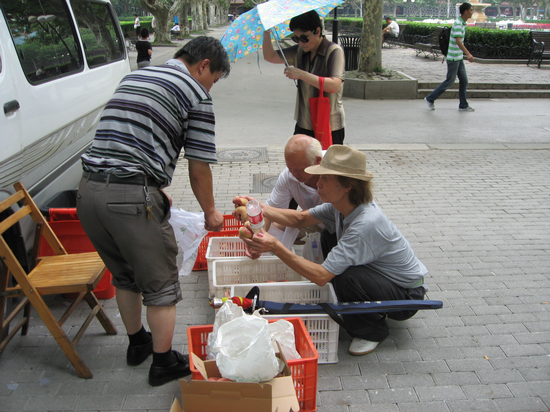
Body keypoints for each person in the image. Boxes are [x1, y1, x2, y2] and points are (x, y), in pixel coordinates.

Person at [76, 36, 230, 386]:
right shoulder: (195, 93)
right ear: (203, 65)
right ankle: (162, 364)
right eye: (215, 79)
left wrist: (153, 185)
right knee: (161, 284)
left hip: (88, 192)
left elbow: (129, 137)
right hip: (131, 199)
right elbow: (199, 166)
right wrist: (210, 212)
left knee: (125, 275)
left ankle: (138, 343)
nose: (211, 87)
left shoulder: (134, 76)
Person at [239, 145, 428, 356]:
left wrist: (276, 246)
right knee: (328, 236)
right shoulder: (340, 206)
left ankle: (371, 330)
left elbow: (321, 276)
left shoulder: (365, 223)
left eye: (325, 179)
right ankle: (346, 297)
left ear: (346, 185)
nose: (317, 184)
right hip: (380, 278)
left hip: (406, 296)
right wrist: (258, 207)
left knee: (347, 276)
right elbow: (299, 219)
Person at [262, 10, 346, 145]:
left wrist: (301, 74)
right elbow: (269, 56)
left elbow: (334, 85)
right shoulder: (299, 51)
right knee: (300, 164)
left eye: (304, 38)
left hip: (330, 124)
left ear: (317, 31)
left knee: (325, 165)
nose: (301, 43)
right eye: (296, 38)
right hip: (305, 122)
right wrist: (266, 32)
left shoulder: (334, 51)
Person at [424, 3, 475, 112]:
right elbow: (458, 41)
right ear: (465, 11)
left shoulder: (462, 23)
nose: (472, 12)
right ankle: (430, 98)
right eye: (471, 10)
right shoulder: (458, 24)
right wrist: (468, 54)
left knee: (464, 81)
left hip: (458, 57)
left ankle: (463, 105)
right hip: (453, 58)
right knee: (450, 81)